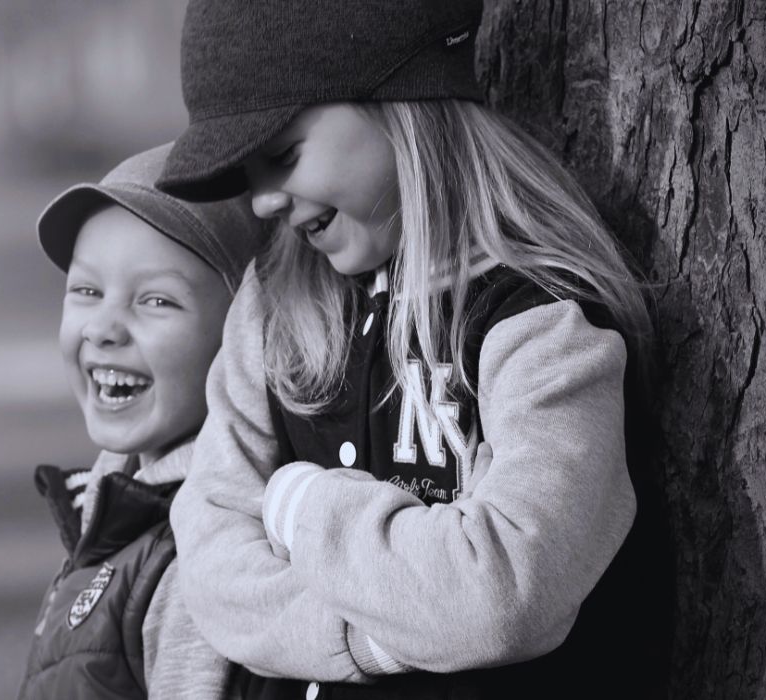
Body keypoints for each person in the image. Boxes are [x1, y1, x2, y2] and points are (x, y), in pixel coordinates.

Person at [155, 0, 671, 698]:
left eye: (280, 156)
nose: (262, 203)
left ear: (401, 101)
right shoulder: (274, 300)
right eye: (246, 176)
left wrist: (297, 506)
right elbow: (212, 562)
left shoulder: (537, 318)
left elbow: (505, 594)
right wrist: (379, 635)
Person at [17, 143, 270, 700]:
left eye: (156, 301)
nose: (103, 328)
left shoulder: (198, 559)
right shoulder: (114, 511)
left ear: (243, 339)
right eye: (86, 291)